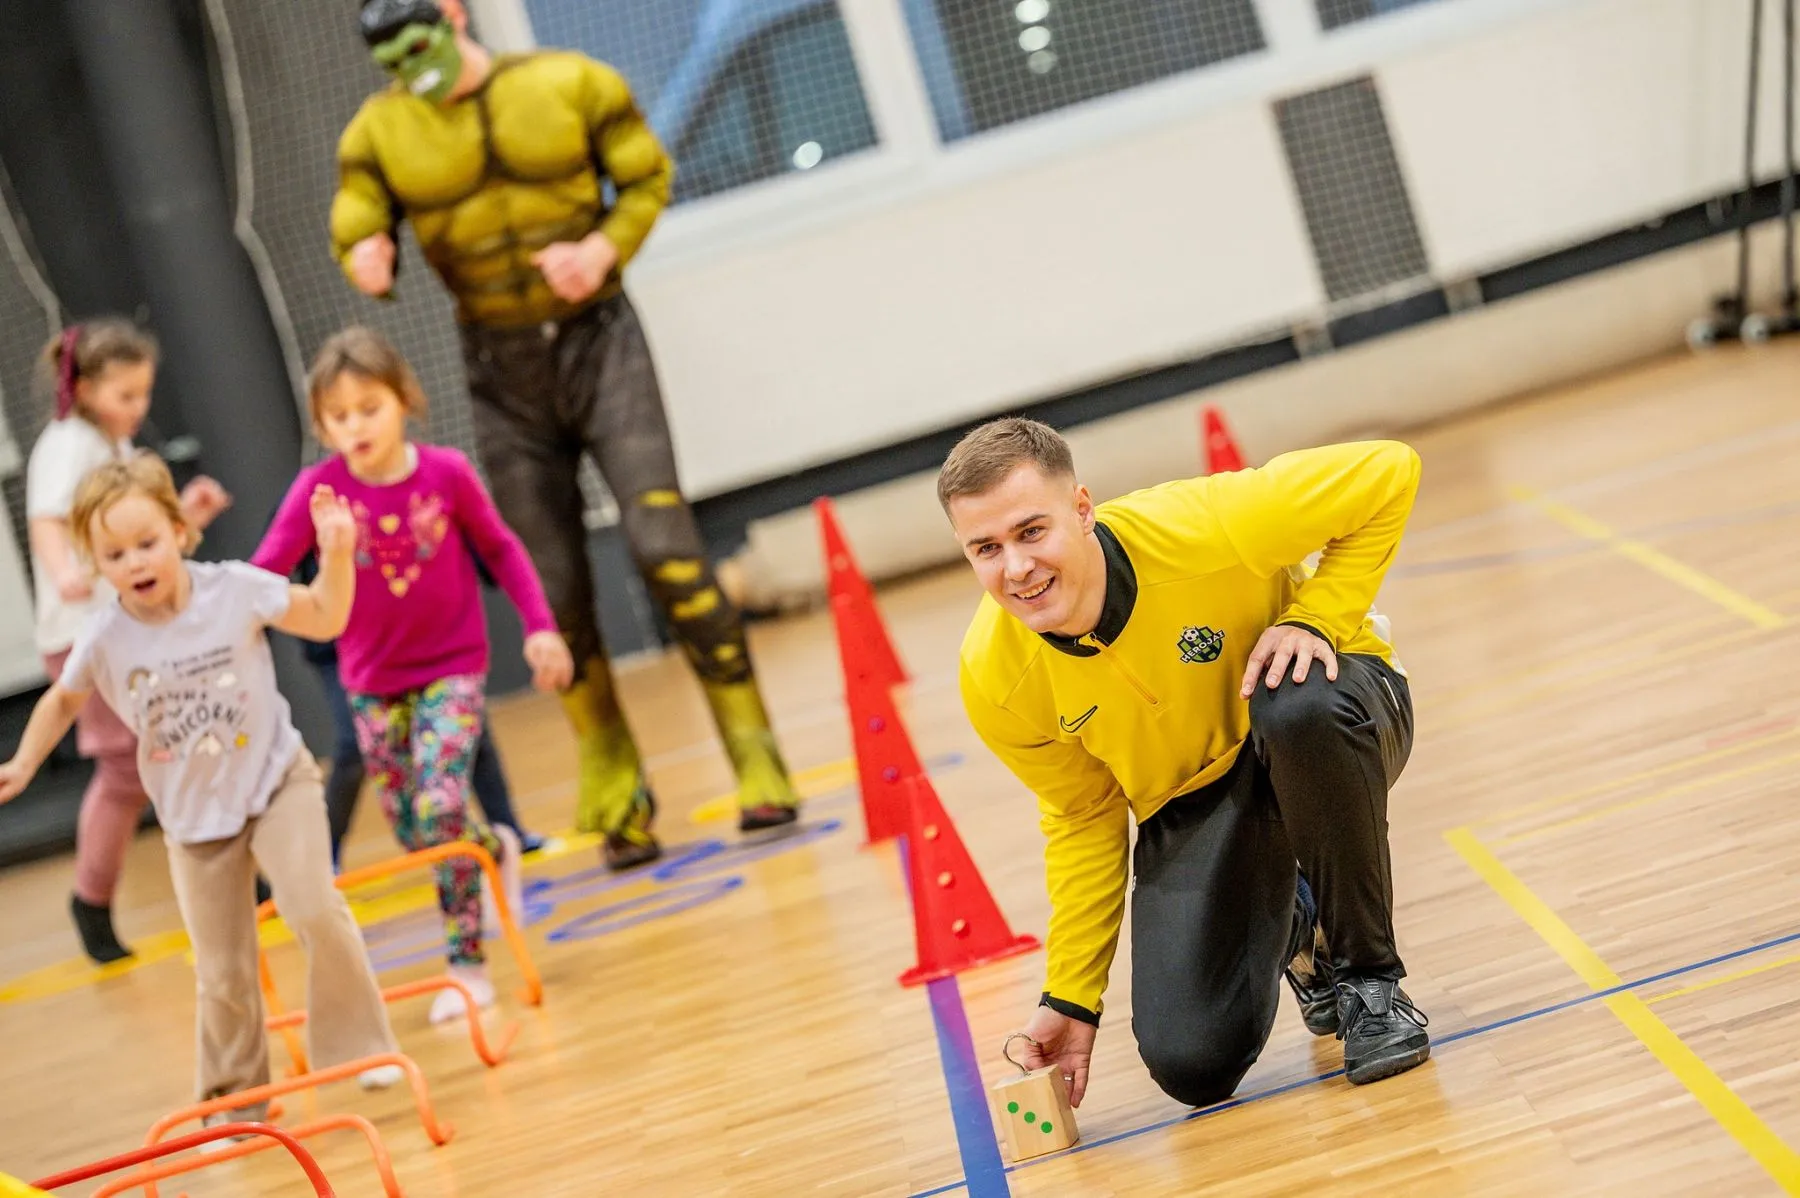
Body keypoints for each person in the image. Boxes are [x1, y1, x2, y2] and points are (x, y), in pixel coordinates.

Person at [330, 0, 802, 871]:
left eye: (418, 34)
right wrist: (364, 250)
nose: (409, 60)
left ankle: (754, 751)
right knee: (552, 586)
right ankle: (615, 785)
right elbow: (357, 210)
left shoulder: (568, 83)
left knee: (667, 550)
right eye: (386, 49)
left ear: (456, 15)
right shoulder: (381, 131)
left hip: (601, 345)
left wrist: (601, 249)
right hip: (500, 370)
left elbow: (647, 177)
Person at [941, 418, 1431, 1109]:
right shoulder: (995, 678)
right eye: (985, 548)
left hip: (1327, 710)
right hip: (1197, 797)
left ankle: (1369, 986)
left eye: (1031, 532)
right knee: (1192, 1061)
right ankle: (1296, 922)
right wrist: (1072, 994)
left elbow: (1389, 469)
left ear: (1082, 510)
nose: (1015, 568)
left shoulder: (1206, 523)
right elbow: (1084, 818)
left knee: (1297, 707)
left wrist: (1316, 617)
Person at [0, 454, 404, 1126]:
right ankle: (235, 1102)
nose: (134, 562)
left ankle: (362, 1050)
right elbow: (63, 701)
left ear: (181, 532)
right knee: (221, 970)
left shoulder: (236, 590)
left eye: (147, 542)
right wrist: (23, 761)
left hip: (277, 783)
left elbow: (327, 617)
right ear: (97, 564)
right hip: (194, 823)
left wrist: (336, 554)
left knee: (313, 906)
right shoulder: (104, 635)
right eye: (115, 553)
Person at [252, 327, 571, 1023]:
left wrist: (541, 626)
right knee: (415, 829)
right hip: (370, 681)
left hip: (452, 671)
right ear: (321, 424)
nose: (355, 427)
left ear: (402, 400)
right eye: (338, 416)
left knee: (440, 805)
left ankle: (466, 961)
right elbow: (266, 569)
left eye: (369, 407)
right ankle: (494, 850)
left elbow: (503, 550)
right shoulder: (320, 490)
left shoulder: (447, 473)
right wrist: (212, 615)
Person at [24, 319, 231, 963]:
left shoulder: (112, 449)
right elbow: (49, 519)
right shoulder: (69, 446)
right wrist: (61, 569)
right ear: (84, 390)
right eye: (125, 395)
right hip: (84, 632)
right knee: (124, 769)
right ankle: (92, 899)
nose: (138, 408)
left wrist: (188, 516)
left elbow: (133, 535)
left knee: (182, 743)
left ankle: (235, 870)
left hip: (125, 625)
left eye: (144, 394)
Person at [281, 541, 547, 870]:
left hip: (422, 644)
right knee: (356, 751)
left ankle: (507, 831)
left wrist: (536, 621)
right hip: (349, 653)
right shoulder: (312, 498)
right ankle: (327, 853)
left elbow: (489, 544)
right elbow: (269, 573)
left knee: (461, 728)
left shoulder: (428, 492)